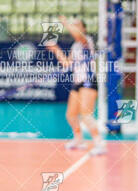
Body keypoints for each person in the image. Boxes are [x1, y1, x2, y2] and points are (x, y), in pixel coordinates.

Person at [47, 16, 105, 155]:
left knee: (86, 115)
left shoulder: (87, 41)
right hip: (77, 83)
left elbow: (78, 35)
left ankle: (99, 143)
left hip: (88, 81)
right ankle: (79, 140)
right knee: (71, 115)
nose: (75, 27)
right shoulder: (75, 46)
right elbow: (68, 64)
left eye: (78, 25)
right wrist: (56, 50)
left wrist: (65, 23)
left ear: (84, 28)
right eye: (74, 25)